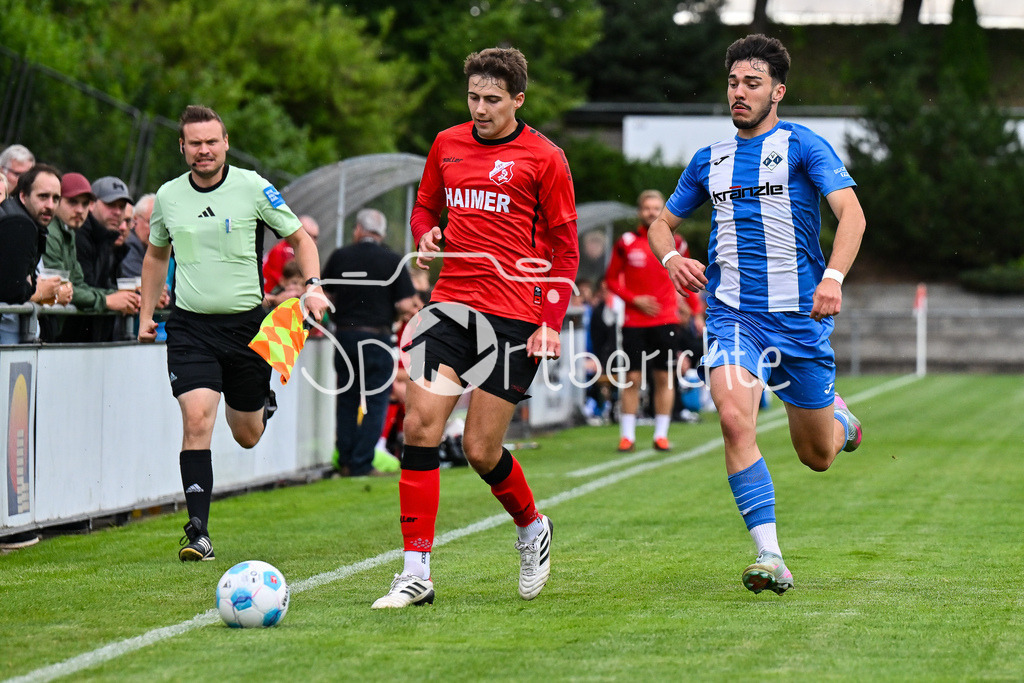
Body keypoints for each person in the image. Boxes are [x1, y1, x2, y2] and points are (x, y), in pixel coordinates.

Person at [647, 34, 866, 596]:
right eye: (733, 83)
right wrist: (672, 258)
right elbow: (659, 224)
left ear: (778, 91)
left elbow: (852, 217)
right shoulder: (709, 160)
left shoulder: (802, 146)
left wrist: (833, 279)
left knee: (816, 456)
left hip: (797, 320)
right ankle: (771, 556)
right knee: (734, 420)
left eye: (752, 83)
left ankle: (838, 421)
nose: (739, 93)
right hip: (731, 316)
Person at [371, 47, 578, 609]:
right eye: (473, 98)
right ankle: (416, 572)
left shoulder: (546, 158)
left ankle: (532, 526)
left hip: (514, 316)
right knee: (419, 425)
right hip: (450, 308)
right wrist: (428, 232)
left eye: (492, 99)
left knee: (480, 450)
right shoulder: (446, 144)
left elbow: (565, 250)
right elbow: (423, 208)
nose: (480, 108)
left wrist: (550, 324)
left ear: (518, 100)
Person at [137, 104, 327, 562]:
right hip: (190, 327)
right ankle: (197, 531)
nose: (204, 150)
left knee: (246, 434)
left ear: (225, 143)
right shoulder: (167, 196)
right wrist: (146, 313)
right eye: (195, 143)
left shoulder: (253, 187)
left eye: (211, 142)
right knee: (197, 419)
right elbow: (156, 256)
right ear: (182, 147)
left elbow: (301, 239)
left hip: (245, 328)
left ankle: (262, 401)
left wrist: (314, 288)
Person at [322, 208, 417, 478]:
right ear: (382, 233)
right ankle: (362, 463)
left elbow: (325, 295)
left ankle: (346, 461)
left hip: (345, 338)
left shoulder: (340, 256)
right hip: (376, 336)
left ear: (358, 230)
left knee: (347, 400)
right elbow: (404, 303)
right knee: (375, 401)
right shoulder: (392, 260)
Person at [605, 189, 688, 453]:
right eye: (646, 208)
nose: (651, 212)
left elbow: (684, 276)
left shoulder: (677, 242)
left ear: (663, 209)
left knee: (664, 378)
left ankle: (661, 435)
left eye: (656, 208)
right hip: (633, 322)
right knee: (631, 377)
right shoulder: (626, 242)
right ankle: (627, 436)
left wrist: (691, 307)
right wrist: (633, 299)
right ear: (639, 211)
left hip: (666, 321)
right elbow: (610, 280)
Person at [41, 173, 148, 342]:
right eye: (111, 205)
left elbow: (78, 285)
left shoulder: (73, 232)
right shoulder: (59, 233)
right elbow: (60, 289)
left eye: (84, 203)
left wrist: (129, 297)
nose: (79, 209)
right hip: (52, 333)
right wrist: (107, 299)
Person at [0, 164, 70, 345]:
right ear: (23, 196)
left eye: (56, 199)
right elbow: (11, 291)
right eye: (43, 197)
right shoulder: (19, 224)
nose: (50, 206)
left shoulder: (18, 216)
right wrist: (38, 290)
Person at [262, 215, 319, 293]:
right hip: (269, 296)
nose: (311, 240)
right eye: (308, 235)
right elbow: (288, 284)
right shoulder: (284, 251)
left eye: (315, 237)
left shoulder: (292, 250)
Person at [120, 194, 155, 278]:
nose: (156, 231)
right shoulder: (129, 244)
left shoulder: (144, 247)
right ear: (135, 219)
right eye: (151, 222)